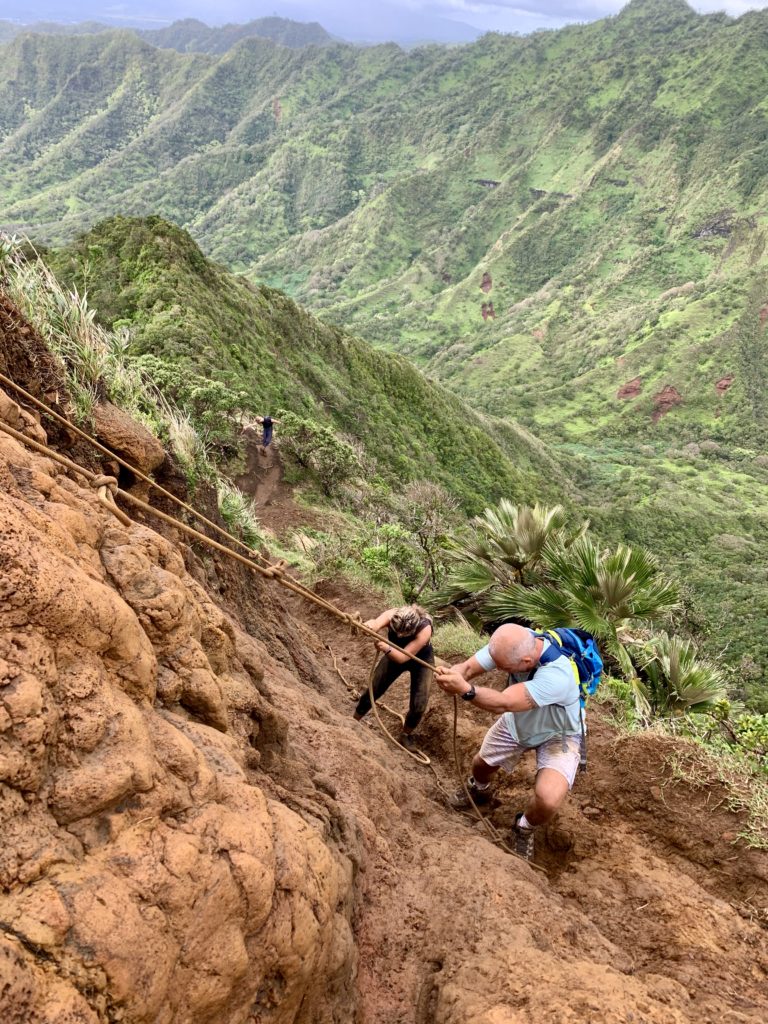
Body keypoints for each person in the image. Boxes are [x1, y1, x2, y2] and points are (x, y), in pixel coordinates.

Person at [434, 623, 582, 861]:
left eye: (505, 667)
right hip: (520, 722)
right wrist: (457, 673)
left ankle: (524, 828)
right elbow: (470, 666)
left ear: (526, 661)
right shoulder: (514, 642)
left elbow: (503, 702)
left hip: (559, 732)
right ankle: (479, 791)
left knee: (548, 799)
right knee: (481, 764)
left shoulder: (558, 675)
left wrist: (466, 690)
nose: (500, 670)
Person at [354, 605, 434, 751]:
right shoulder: (392, 615)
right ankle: (355, 719)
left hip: (420, 659)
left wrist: (386, 647)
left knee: (419, 703)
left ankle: (405, 734)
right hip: (393, 653)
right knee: (374, 687)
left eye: (403, 634)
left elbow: (403, 657)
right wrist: (367, 626)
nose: (398, 636)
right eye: (396, 632)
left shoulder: (425, 628)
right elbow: (376, 623)